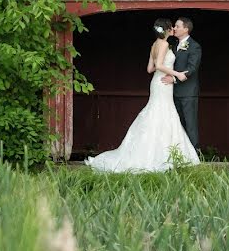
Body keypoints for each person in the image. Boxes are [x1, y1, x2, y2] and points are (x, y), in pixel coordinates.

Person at [84, 18, 199, 173]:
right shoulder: (165, 44)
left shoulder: (154, 45)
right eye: (172, 26)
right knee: (163, 113)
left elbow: (150, 69)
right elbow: (158, 66)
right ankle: (163, 155)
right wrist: (176, 73)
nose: (173, 28)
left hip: (157, 81)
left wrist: (166, 72)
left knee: (158, 112)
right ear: (166, 30)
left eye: (176, 26)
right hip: (164, 84)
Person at [160, 17, 202, 150]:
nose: (174, 28)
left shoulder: (195, 46)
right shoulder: (173, 45)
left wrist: (174, 79)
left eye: (177, 26)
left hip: (188, 93)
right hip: (173, 92)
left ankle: (195, 155)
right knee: (178, 125)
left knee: (190, 124)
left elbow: (192, 68)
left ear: (186, 29)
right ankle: (181, 154)